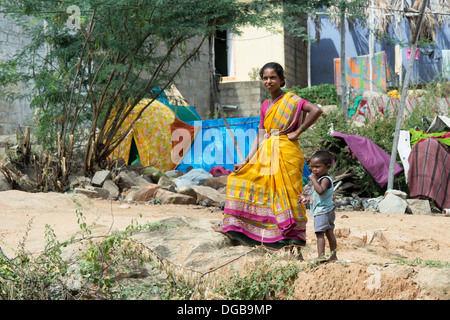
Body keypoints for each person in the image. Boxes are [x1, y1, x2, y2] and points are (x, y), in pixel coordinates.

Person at [212, 62, 323, 259]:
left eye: (272, 77)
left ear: (282, 79)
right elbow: (260, 134)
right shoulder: (265, 105)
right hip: (266, 152)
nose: (268, 81)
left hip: (288, 153)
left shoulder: (291, 100)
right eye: (265, 77)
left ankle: (295, 248)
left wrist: (299, 131)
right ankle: (244, 231)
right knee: (240, 181)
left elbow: (316, 110)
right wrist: (246, 161)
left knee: (289, 197)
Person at [299, 150, 338, 262]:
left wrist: (313, 179)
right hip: (327, 210)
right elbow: (318, 196)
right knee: (329, 232)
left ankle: (321, 256)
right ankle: (333, 256)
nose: (314, 170)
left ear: (328, 167)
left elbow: (320, 191)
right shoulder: (321, 179)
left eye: (317, 167)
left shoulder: (324, 179)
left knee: (320, 233)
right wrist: (306, 199)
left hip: (323, 212)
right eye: (312, 167)